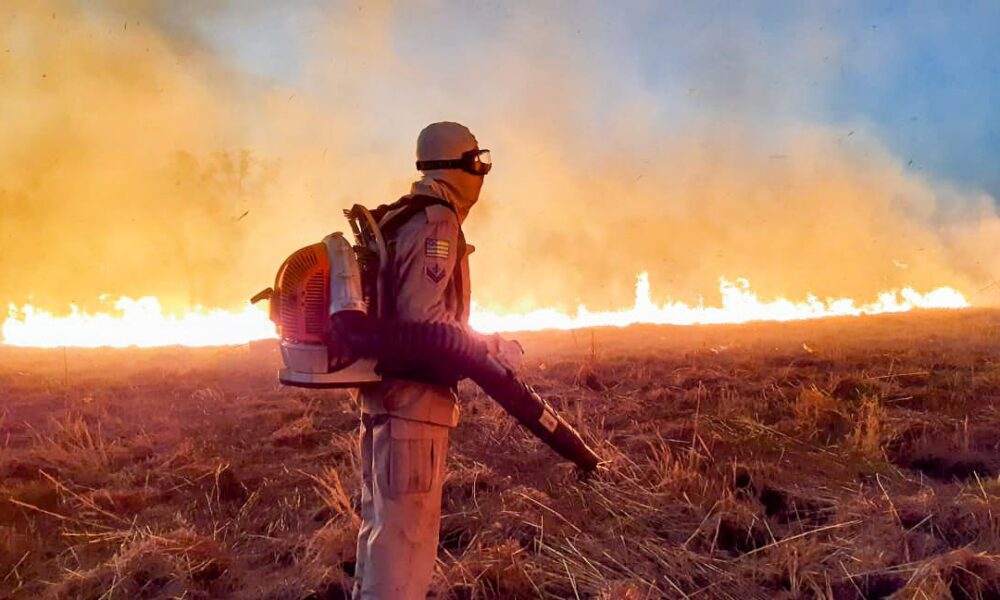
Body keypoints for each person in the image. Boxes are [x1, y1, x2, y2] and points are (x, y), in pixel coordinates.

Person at [352, 121, 509, 599]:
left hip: (386, 398)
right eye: (477, 163)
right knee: (406, 541)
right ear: (456, 165)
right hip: (415, 405)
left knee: (381, 532)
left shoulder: (402, 215)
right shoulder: (437, 220)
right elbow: (425, 320)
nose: (481, 173)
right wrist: (489, 348)